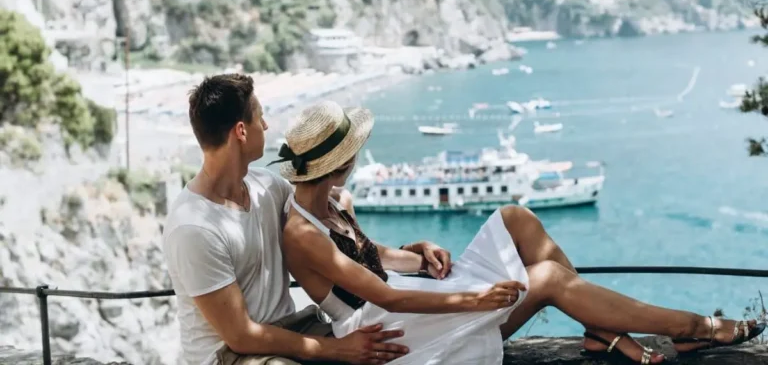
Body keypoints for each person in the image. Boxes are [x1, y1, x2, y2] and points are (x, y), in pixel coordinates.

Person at [275, 100, 766, 365]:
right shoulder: (300, 233)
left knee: (515, 216)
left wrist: (418, 252)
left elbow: (373, 256)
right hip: (387, 332)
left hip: (407, 297)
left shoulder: (339, 201)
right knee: (548, 279)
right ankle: (693, 328)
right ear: (339, 163)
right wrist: (476, 300)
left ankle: (601, 331)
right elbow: (385, 296)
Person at [163, 74, 437, 365]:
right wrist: (340, 349)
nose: (266, 126)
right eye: (261, 117)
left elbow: (337, 242)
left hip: (290, 328)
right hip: (230, 355)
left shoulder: (269, 187)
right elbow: (241, 335)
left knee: (402, 341)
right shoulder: (194, 228)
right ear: (241, 131)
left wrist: (412, 254)